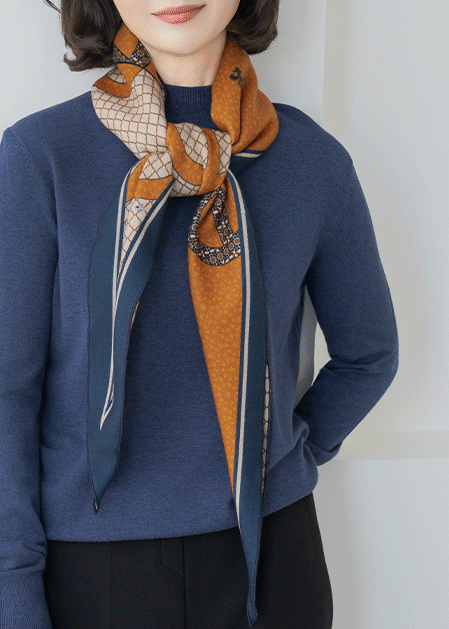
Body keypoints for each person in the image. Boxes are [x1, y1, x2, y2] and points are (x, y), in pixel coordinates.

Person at [0, 1, 399, 628]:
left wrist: (283, 459)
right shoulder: (41, 156)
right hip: (91, 575)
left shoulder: (310, 160)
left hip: (274, 559)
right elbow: (7, 393)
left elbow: (369, 355)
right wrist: (13, 592)